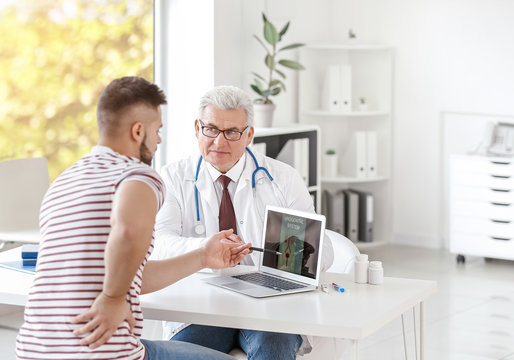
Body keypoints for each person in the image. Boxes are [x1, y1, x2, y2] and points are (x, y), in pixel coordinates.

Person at [15, 76, 251, 360]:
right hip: (102, 352)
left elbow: (130, 273)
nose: (159, 139)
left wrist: (202, 256)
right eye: (157, 130)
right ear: (138, 131)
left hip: (33, 350)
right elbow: (128, 231)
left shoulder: (64, 182)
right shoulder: (136, 176)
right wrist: (112, 299)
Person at [152, 85, 334, 359]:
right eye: (211, 129)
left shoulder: (283, 178)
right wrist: (206, 250)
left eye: (232, 132)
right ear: (197, 128)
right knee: (188, 351)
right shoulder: (173, 178)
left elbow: (326, 251)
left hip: (269, 303)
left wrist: (302, 252)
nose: (219, 142)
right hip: (202, 303)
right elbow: (159, 246)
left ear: (249, 134)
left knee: (273, 348)